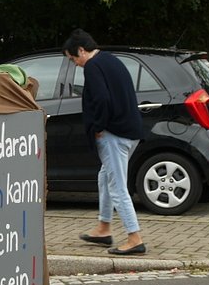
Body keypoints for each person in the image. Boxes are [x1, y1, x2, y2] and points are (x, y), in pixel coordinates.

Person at [62, 28, 147, 255]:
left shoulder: (92, 66)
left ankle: (134, 238)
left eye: (73, 58)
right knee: (105, 177)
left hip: (113, 135)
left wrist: (98, 126)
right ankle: (103, 228)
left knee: (117, 187)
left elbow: (101, 99)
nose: (75, 64)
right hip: (131, 131)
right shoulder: (111, 60)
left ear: (81, 50)